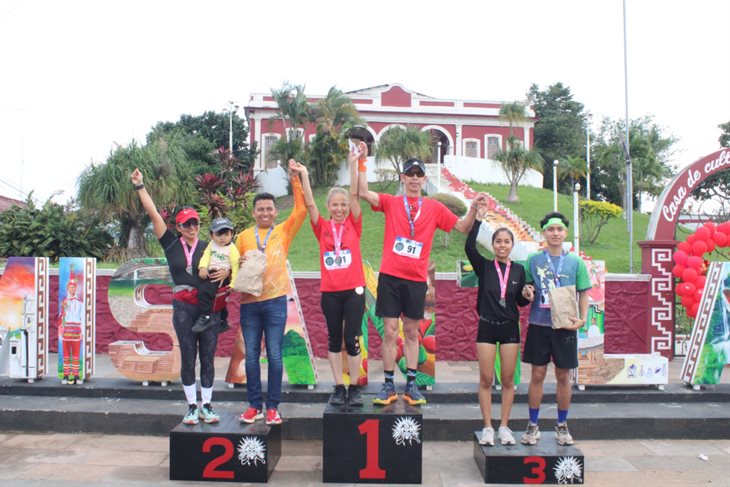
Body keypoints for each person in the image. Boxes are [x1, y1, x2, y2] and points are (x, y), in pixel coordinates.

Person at [358, 155, 488, 405]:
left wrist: (472, 208)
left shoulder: (434, 208)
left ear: (424, 179)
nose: (415, 179)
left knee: (411, 333)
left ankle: (410, 386)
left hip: (416, 280)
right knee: (389, 332)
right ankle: (387, 386)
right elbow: (363, 192)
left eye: (419, 174)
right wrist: (362, 161)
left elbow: (462, 227)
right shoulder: (392, 203)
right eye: (410, 174)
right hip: (390, 277)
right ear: (403, 178)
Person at [131, 168, 228, 426]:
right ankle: (191, 407)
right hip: (184, 309)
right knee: (188, 356)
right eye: (187, 223)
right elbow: (153, 213)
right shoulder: (171, 244)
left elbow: (228, 266)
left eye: (195, 222)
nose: (192, 227)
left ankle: (207, 405)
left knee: (207, 356)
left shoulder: (210, 247)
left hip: (208, 310)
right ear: (179, 226)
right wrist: (141, 186)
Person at [236, 160, 306, 426]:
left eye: (269, 209)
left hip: (276, 303)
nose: (265, 213)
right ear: (253, 213)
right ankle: (254, 405)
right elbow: (233, 268)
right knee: (252, 356)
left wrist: (295, 179)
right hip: (249, 305)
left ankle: (273, 407)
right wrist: (237, 264)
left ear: (275, 212)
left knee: (275, 355)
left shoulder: (282, 232)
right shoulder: (242, 237)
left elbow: (301, 210)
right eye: (260, 209)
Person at [295, 143, 365, 407]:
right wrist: (304, 174)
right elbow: (310, 203)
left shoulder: (354, 224)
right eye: (335, 204)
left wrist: (354, 164)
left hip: (354, 291)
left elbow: (357, 194)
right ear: (329, 206)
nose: (339, 208)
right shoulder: (322, 227)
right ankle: (338, 386)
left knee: (353, 337)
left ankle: (355, 386)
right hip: (331, 293)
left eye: (343, 204)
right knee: (335, 337)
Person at [521, 212, 591, 446]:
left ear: (565, 233)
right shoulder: (533, 259)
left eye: (559, 229)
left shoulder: (576, 262)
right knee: (537, 375)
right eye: (550, 229)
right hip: (539, 324)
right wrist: (527, 291)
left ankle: (562, 426)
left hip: (566, 326)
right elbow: (526, 285)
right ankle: (533, 425)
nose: (555, 233)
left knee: (564, 376)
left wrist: (582, 319)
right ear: (544, 233)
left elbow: (584, 292)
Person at [465, 223, 533, 446]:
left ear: (512, 245)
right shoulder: (484, 267)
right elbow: (469, 247)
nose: (502, 245)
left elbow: (520, 301)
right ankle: (487, 427)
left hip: (509, 328)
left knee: (507, 380)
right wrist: (477, 221)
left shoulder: (518, 270)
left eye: (506, 241)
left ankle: (504, 426)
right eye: (498, 241)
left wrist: (526, 295)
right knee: (485, 379)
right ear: (493, 245)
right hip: (487, 326)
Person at [191, 217, 240, 334]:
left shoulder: (232, 249)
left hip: (220, 275)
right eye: (218, 235)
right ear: (212, 235)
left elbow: (236, 266)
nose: (223, 238)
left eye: (226, 234)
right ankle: (223, 321)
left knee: (205, 291)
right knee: (212, 295)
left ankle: (205, 317)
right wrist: (202, 267)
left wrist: (233, 283)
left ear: (232, 234)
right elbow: (206, 256)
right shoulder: (212, 245)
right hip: (210, 272)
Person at [59, 277, 83, 384]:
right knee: (66, 353)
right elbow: (62, 316)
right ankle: (66, 375)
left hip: (76, 330)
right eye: (70, 287)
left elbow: (82, 317)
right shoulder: (65, 301)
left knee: (76, 354)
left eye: (73, 287)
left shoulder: (79, 302)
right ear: (68, 289)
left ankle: (76, 374)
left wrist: (82, 331)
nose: (71, 289)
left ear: (75, 289)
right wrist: (64, 310)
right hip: (67, 330)